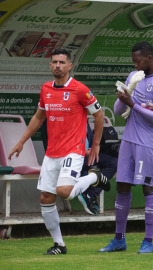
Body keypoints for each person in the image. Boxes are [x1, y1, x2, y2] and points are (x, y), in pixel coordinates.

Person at [8, 49, 108, 255]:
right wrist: (21, 141)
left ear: (69, 66)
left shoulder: (80, 89)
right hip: (52, 152)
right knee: (46, 197)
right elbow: (38, 117)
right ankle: (59, 245)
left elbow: (99, 115)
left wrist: (96, 144)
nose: (58, 66)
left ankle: (92, 178)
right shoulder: (45, 89)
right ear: (50, 65)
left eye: (62, 62)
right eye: (54, 62)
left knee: (63, 192)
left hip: (73, 150)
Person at [99, 41, 153, 254]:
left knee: (148, 187)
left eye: (138, 61)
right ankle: (119, 239)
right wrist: (125, 93)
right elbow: (117, 108)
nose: (136, 65)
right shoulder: (133, 76)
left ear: (149, 58)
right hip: (129, 140)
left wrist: (133, 104)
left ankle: (148, 241)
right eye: (134, 62)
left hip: (148, 142)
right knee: (122, 186)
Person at [78, 123, 118, 215]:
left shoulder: (85, 121)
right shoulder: (71, 120)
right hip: (76, 157)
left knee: (114, 162)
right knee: (91, 163)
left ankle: (90, 194)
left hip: (90, 155)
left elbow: (92, 143)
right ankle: (88, 194)